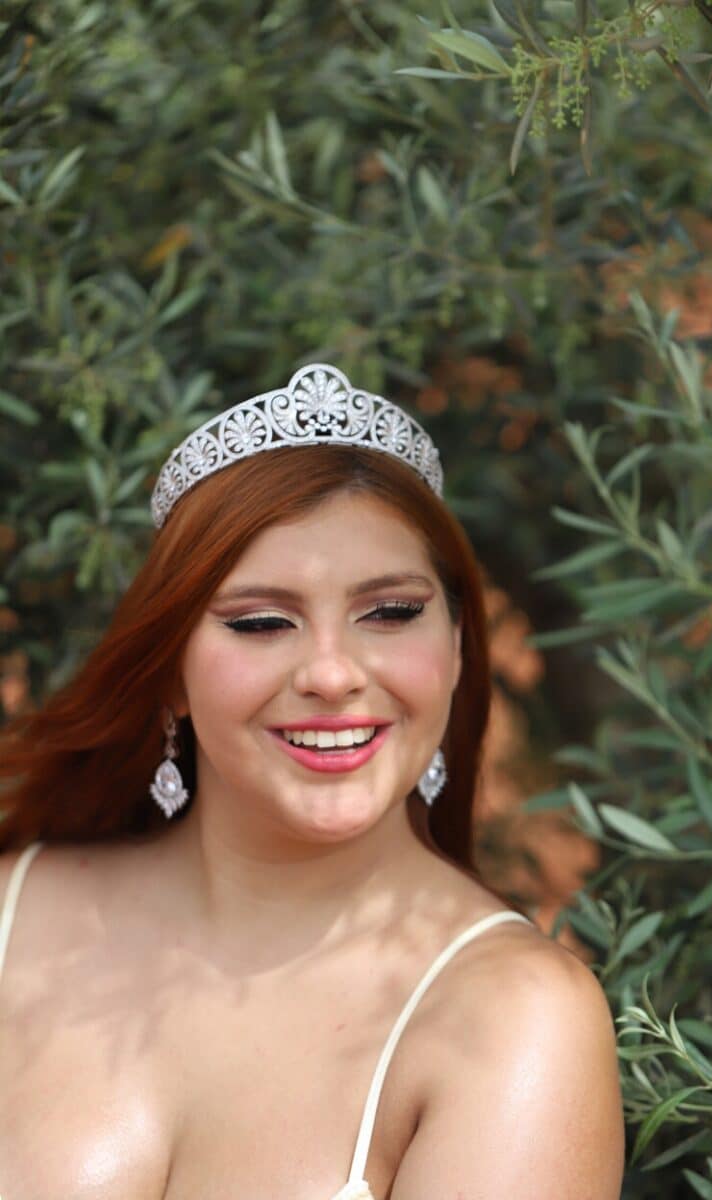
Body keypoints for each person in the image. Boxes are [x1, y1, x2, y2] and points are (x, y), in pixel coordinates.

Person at [0, 363, 624, 1199]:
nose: (332, 675)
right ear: (171, 674)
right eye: (261, 623)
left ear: (458, 648)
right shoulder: (14, 915)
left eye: (390, 613)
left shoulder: (515, 1021)